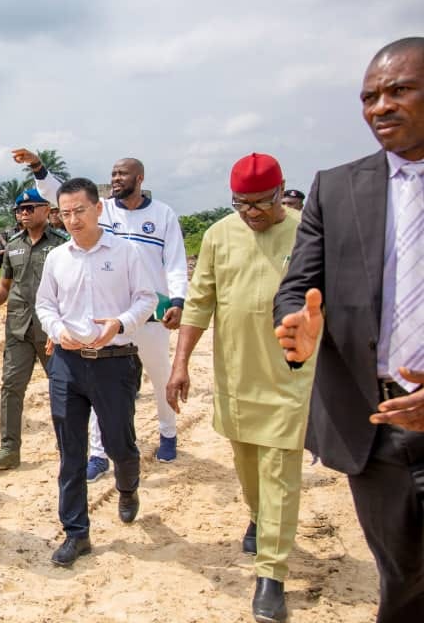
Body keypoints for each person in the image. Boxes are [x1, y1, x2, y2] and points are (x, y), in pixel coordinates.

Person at [274, 37, 424, 623]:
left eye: (399, 90)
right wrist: (299, 322)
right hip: (379, 427)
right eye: (369, 97)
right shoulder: (335, 189)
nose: (380, 106)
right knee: (403, 582)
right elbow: (298, 286)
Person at [167, 153, 313, 623]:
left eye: (260, 203)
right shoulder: (217, 236)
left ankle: (271, 574)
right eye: (240, 204)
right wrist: (180, 363)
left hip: (292, 378)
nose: (251, 213)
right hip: (236, 376)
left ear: (281, 191)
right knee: (248, 465)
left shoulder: (310, 233)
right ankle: (259, 515)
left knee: (278, 473)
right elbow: (201, 301)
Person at [18, 149, 188, 473]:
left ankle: (168, 432)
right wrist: (38, 167)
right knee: (97, 379)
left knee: (158, 373)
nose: (115, 179)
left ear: (140, 179)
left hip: (147, 311)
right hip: (102, 314)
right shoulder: (100, 210)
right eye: (112, 174)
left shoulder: (163, 215)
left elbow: (177, 263)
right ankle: (98, 454)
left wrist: (178, 300)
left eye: (123, 174)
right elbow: (60, 193)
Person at [35, 177, 157, 568]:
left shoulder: (126, 252)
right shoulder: (57, 258)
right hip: (67, 366)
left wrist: (119, 324)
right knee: (71, 453)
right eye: (65, 213)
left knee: (119, 443)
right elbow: (45, 306)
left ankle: (127, 486)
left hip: (114, 364)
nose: (72, 220)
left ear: (98, 208)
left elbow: (146, 299)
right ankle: (76, 533)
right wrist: (57, 330)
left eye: (79, 211)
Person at [0, 189, 69, 469]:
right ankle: (9, 449)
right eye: (19, 209)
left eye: (30, 208)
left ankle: (68, 445)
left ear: (47, 209)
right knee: (11, 386)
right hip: (18, 327)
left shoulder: (62, 245)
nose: (23, 213)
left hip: (52, 330)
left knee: (62, 387)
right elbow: (6, 284)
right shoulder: (13, 244)